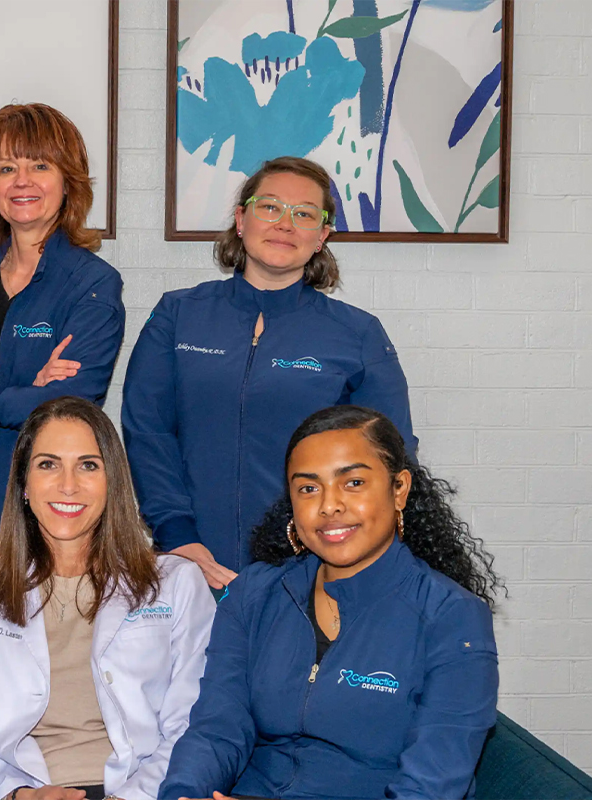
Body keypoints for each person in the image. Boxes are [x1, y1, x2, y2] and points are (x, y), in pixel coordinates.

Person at [158, 405, 502, 800]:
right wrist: (184, 793)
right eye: (308, 488)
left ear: (399, 488)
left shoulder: (452, 616)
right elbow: (218, 728)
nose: (329, 505)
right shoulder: (255, 594)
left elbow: (430, 788)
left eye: (353, 482)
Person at [122, 156, 415, 590]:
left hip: (313, 567)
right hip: (189, 562)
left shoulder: (357, 334)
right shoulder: (178, 315)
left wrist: (339, 548)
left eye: (304, 214)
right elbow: (147, 431)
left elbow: (392, 458)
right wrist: (178, 536)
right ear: (241, 220)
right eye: (270, 207)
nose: (285, 223)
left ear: (322, 236)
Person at [0, 396, 216, 800]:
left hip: (146, 790)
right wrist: (16, 794)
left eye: (88, 465)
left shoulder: (176, 583)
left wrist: (130, 797)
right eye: (48, 465)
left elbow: (194, 725)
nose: (68, 485)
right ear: (23, 485)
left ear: (113, 483)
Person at [0, 103, 125, 577]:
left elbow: (68, 407)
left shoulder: (93, 283)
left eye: (39, 165)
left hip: (51, 526)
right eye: (7, 168)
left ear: (68, 181)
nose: (22, 180)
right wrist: (20, 402)